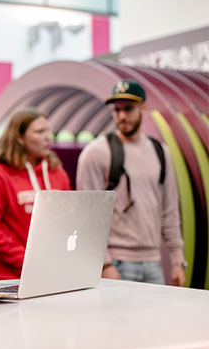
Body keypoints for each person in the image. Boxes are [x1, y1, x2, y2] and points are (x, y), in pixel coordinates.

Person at [76, 80, 186, 286]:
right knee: (115, 320)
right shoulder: (95, 153)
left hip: (154, 262)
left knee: (155, 319)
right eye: (116, 110)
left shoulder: (161, 152)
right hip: (117, 262)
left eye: (129, 108)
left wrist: (178, 261)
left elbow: (170, 210)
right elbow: (86, 215)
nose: (122, 116)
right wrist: (105, 265)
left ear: (144, 108)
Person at [0, 107, 71, 280]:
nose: (47, 137)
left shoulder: (58, 173)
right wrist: (28, 261)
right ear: (19, 138)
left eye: (48, 131)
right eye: (39, 131)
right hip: (10, 277)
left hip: (52, 273)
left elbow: (69, 221)